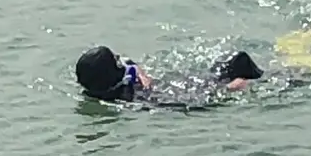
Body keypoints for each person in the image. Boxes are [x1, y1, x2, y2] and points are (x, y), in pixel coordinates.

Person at [75, 43, 264, 108]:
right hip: (198, 91)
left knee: (234, 59)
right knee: (240, 63)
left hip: (187, 83)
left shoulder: (103, 84)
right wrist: (228, 90)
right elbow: (190, 103)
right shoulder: (134, 100)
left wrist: (143, 75)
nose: (120, 58)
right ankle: (288, 75)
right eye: (115, 60)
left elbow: (129, 62)